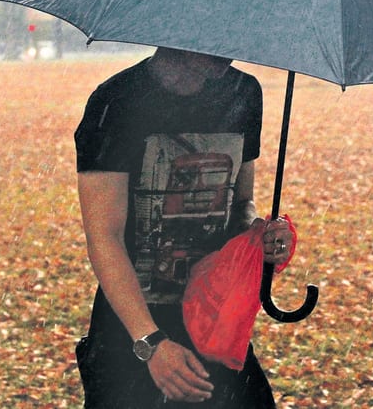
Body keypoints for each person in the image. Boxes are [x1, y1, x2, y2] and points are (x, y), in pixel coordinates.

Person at [74, 47, 293, 408]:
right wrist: (151, 343)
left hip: (214, 319)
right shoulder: (115, 102)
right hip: (130, 327)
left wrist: (259, 236)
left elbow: (240, 203)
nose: (230, 46)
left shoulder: (244, 93)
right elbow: (104, 238)